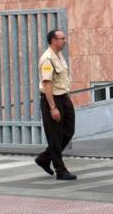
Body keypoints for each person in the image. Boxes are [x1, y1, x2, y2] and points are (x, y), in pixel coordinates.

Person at [35, 29, 77, 181]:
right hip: (52, 100)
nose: (64, 40)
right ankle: (60, 170)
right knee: (55, 136)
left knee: (69, 131)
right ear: (53, 40)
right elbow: (47, 85)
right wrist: (53, 108)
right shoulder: (47, 59)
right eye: (62, 38)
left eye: (64, 38)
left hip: (64, 97)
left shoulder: (59, 56)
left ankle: (44, 158)